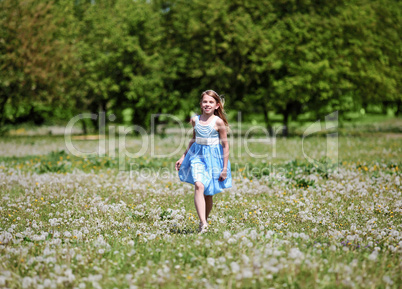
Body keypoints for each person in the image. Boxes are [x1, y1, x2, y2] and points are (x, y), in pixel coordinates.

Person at [175, 90, 232, 233]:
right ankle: (203, 223)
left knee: (208, 193)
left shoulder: (218, 122)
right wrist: (183, 156)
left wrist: (224, 168)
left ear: (217, 105)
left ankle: (203, 224)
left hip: (214, 158)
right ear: (201, 104)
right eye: (205, 102)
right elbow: (194, 139)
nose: (207, 104)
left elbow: (225, 145)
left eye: (211, 102)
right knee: (199, 185)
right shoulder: (195, 120)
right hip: (197, 156)